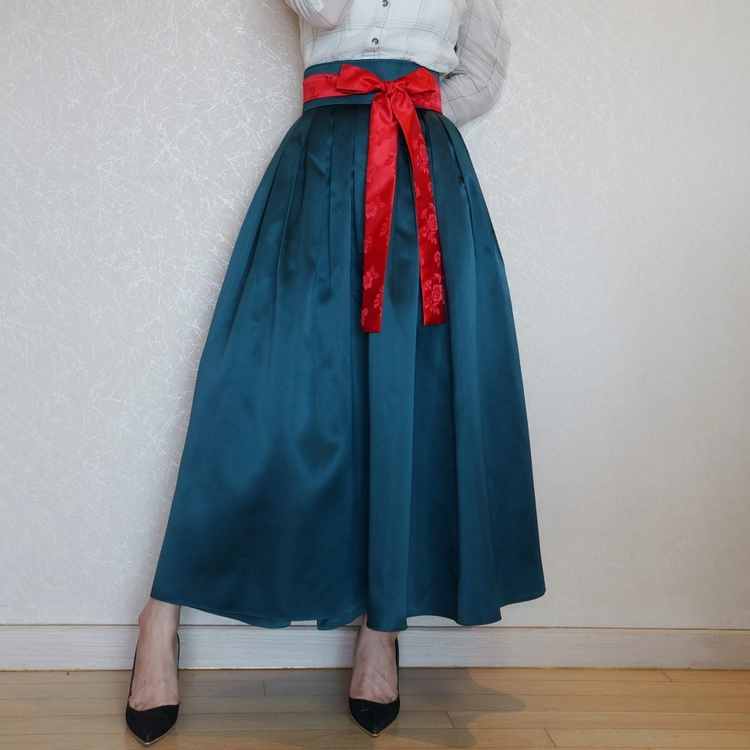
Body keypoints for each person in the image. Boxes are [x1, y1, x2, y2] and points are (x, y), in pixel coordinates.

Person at [124, 0, 546, 743]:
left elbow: (483, 71)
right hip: (320, 167)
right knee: (257, 392)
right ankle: (160, 616)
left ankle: (381, 630)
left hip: (421, 174)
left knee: (408, 401)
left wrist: (413, 115)